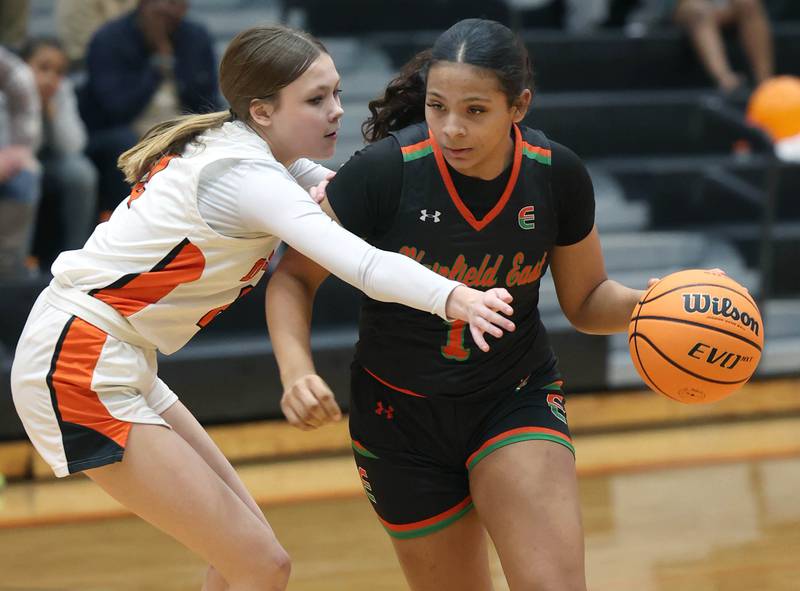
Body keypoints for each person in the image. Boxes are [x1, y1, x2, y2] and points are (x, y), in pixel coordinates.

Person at [10, 25, 514, 591]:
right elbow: (362, 264)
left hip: (111, 356)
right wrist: (455, 296)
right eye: (316, 99)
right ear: (262, 111)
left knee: (242, 558)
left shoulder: (265, 157)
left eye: (338, 94)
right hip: (79, 363)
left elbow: (365, 200)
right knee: (262, 565)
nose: (337, 112)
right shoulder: (244, 176)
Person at [266, 18, 652, 591]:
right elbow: (292, 279)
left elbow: (587, 300)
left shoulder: (555, 175)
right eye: (437, 106)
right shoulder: (385, 173)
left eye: (475, 111)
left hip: (512, 397)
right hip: (399, 419)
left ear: (518, 106)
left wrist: (667, 302)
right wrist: (296, 373)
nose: (451, 129)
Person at [78, 0, 220, 218]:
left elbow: (206, 103)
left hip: (181, 128)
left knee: (221, 138)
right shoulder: (109, 38)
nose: (171, 12)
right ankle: (132, 222)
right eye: (167, 3)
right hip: (125, 131)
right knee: (124, 143)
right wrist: (158, 63)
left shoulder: (196, 37)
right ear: (144, 4)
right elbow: (117, 109)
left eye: (179, 5)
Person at [21, 37, 98, 266]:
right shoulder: (10, 88)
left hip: (48, 158)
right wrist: (31, 103)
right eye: (43, 67)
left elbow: (74, 145)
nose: (50, 78)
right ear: (22, 65)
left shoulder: (61, 89)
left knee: (81, 172)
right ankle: (16, 266)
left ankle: (74, 261)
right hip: (15, 160)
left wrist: (51, 110)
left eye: (59, 71)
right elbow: (21, 149)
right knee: (27, 175)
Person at [666, 0, 773, 93]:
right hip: (682, 8)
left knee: (748, 2)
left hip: (722, 6)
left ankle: (765, 83)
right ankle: (727, 81)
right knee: (697, 10)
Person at [0, 45, 41, 279]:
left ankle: (9, 274)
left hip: (5, 161)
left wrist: (12, 157)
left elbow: (21, 78)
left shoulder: (8, 67)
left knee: (25, 178)